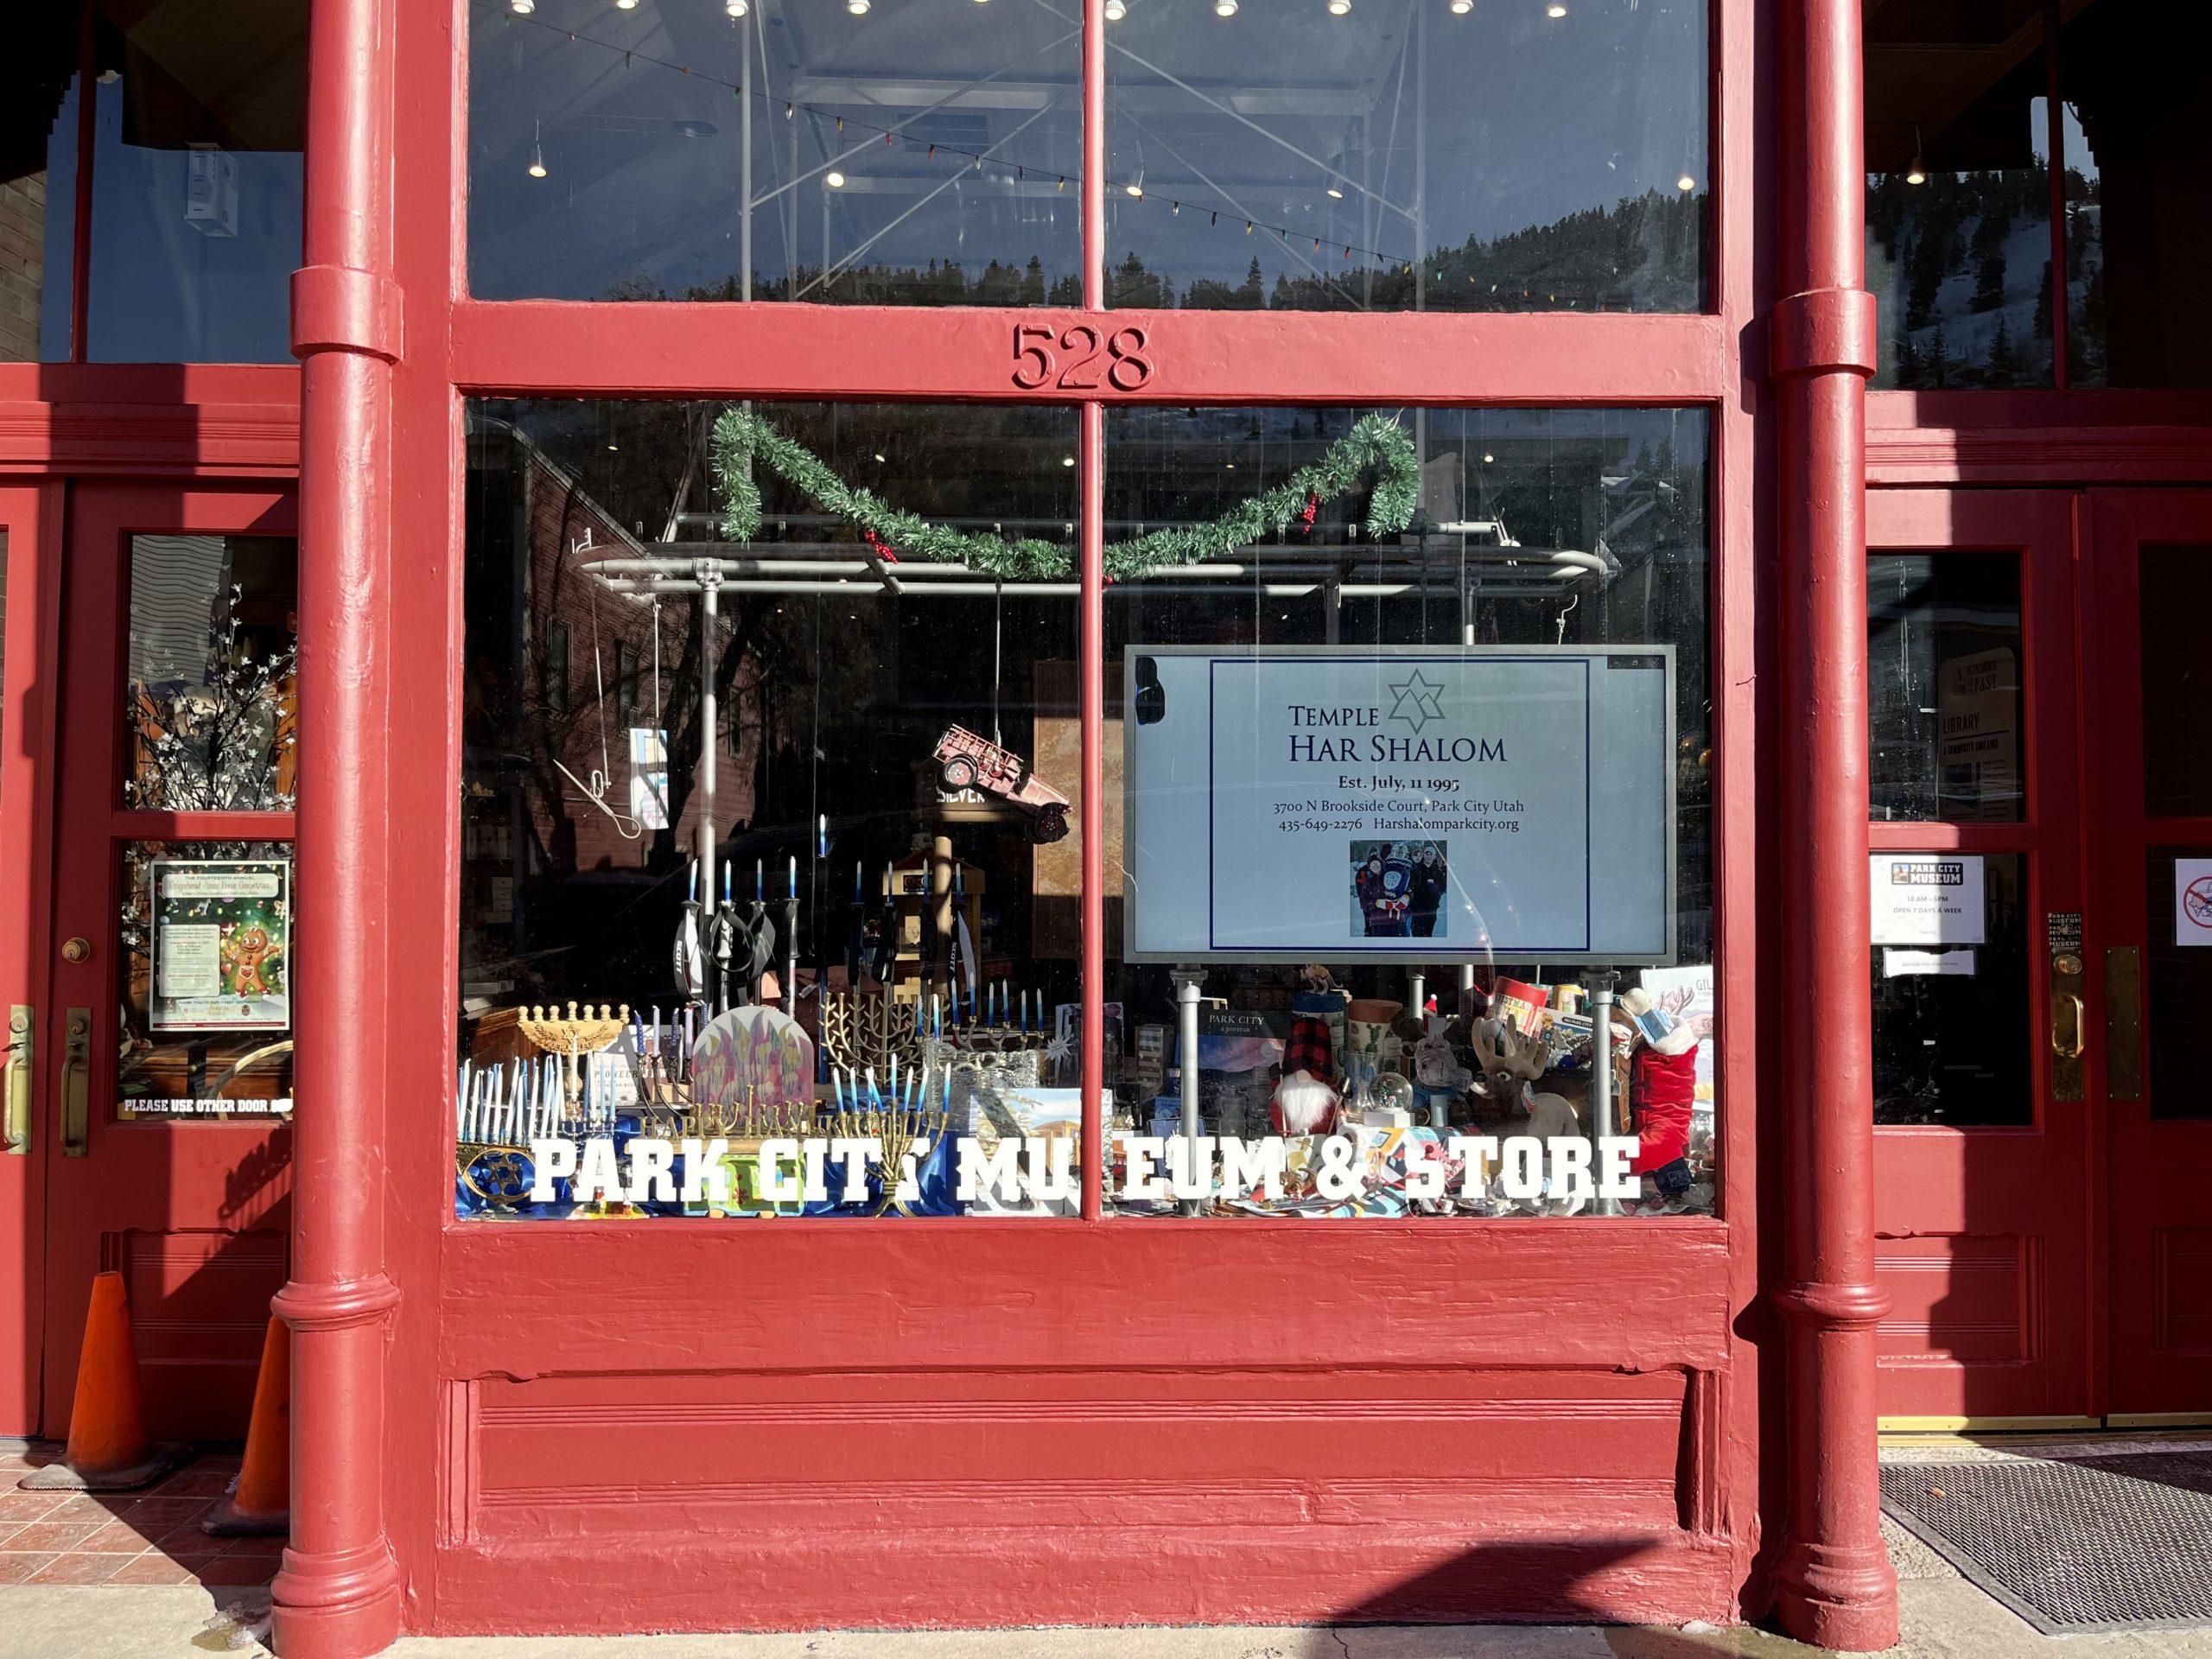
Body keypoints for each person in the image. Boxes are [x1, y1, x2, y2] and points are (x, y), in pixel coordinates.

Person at [1409, 843, 1446, 937]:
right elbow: (1410, 884)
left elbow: (1443, 887)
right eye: (1427, 854)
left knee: (1428, 932)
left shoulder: (1438, 872)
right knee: (1416, 932)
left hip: (1431, 907)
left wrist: (1436, 887)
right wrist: (1423, 886)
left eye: (1431, 854)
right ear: (1424, 855)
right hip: (1417, 906)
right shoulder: (1416, 869)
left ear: (1434, 856)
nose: (1428, 856)